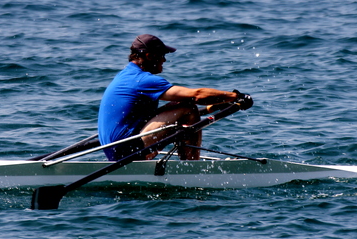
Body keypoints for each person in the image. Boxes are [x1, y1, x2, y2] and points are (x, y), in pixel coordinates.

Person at [98, 34, 250, 161]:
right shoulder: (143, 80)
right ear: (149, 56)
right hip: (126, 150)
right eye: (162, 55)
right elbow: (196, 96)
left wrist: (220, 104)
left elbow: (165, 111)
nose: (164, 60)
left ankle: (172, 159)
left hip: (117, 149)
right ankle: (191, 168)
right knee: (189, 108)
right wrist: (236, 96)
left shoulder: (125, 75)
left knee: (181, 105)